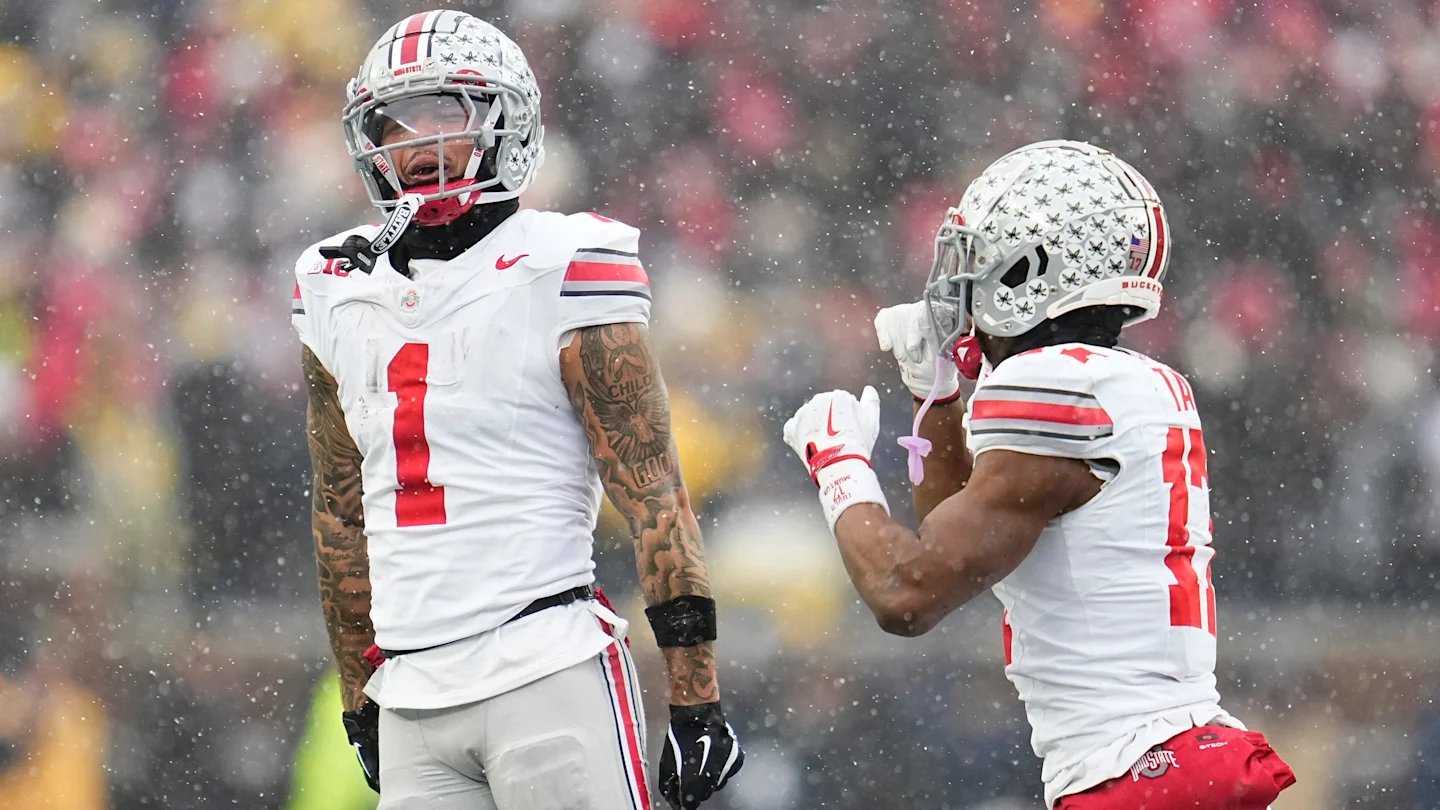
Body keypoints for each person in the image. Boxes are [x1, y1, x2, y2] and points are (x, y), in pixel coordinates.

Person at [292, 11, 742, 809]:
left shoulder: (564, 262)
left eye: (446, 111)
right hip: (411, 691)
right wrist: (359, 698)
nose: (419, 142)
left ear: (508, 123)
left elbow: (653, 494)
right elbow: (339, 511)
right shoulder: (334, 285)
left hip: (544, 665)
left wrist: (695, 695)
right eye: (397, 120)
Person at [782, 140, 1297, 808]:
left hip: (1134, 773)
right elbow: (959, 534)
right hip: (1173, 757)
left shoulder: (1053, 385)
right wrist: (934, 393)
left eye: (977, 266)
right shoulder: (1129, 382)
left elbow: (906, 593)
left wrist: (838, 465)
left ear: (1031, 272)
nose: (959, 291)